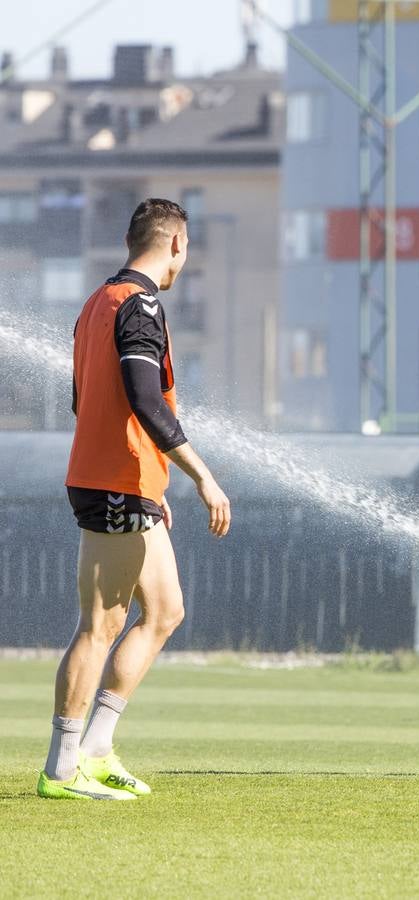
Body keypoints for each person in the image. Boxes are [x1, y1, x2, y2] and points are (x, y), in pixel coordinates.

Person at [40, 198, 232, 800]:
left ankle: (96, 749)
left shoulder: (97, 301)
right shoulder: (142, 306)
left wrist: (152, 479)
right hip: (114, 481)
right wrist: (202, 476)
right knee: (100, 626)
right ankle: (60, 770)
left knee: (165, 611)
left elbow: (85, 400)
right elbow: (146, 402)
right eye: (186, 248)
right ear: (176, 244)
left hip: (127, 480)